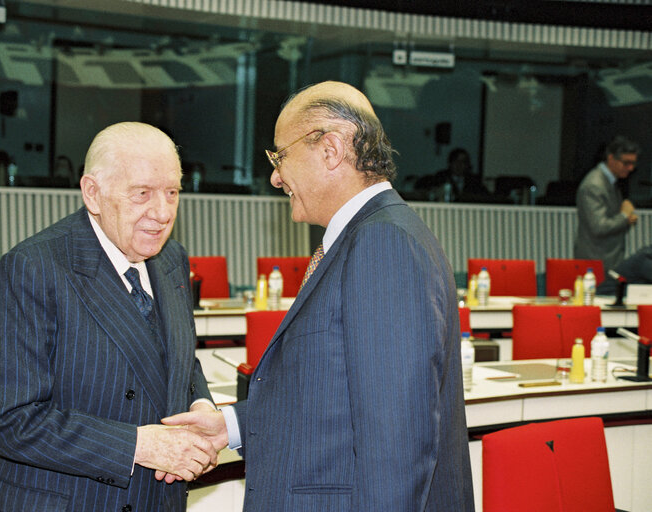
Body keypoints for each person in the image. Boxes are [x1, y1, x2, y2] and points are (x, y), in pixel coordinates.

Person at [165, 81, 474, 510]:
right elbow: (327, 397)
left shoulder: (383, 244)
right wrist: (229, 427)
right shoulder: (366, 237)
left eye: (280, 156)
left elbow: (396, 441)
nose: (275, 176)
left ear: (330, 150)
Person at [0, 122, 218, 511]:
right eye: (142, 194)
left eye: (172, 193)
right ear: (93, 193)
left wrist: (200, 406)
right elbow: (7, 421)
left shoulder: (173, 259)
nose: (162, 212)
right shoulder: (34, 267)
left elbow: (176, 359)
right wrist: (138, 445)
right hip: (69, 500)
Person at [574, 135, 640, 281]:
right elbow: (599, 227)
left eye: (633, 163)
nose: (631, 168)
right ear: (611, 159)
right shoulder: (594, 185)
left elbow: (611, 220)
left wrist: (627, 219)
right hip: (595, 262)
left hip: (608, 259)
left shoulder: (611, 182)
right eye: (626, 163)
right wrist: (624, 216)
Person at [415, 147, 488, 201]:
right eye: (456, 161)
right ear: (450, 163)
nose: (459, 165)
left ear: (467, 165)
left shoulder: (473, 180)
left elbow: (485, 196)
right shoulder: (441, 176)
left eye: (463, 162)